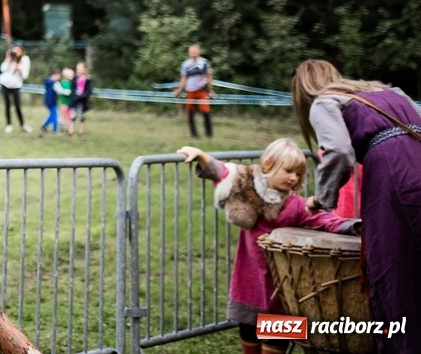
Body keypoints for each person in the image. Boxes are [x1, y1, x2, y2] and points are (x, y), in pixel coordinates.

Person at [177, 139, 360, 354]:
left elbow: (324, 220)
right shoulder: (245, 190)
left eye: (298, 174)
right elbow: (224, 173)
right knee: (250, 346)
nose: (293, 178)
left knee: (274, 348)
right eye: (289, 171)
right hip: (248, 287)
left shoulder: (297, 205)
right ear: (268, 164)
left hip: (284, 295)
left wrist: (355, 226)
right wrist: (201, 155)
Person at [291, 59, 421, 350]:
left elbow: (338, 151)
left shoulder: (324, 102)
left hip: (392, 178)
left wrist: (323, 198)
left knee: (394, 270)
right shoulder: (394, 93)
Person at [176, 44, 214, 139]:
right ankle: (194, 134)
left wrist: (211, 89)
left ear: (199, 52)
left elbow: (209, 76)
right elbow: (183, 79)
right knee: (190, 113)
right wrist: (178, 90)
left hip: (202, 91)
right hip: (190, 91)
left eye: (195, 51)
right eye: (191, 52)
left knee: (206, 112)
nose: (193, 53)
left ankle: (209, 134)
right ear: (189, 53)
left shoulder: (205, 62)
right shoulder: (185, 64)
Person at [0, 44, 31, 133]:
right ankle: (8, 124)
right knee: (7, 105)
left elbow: (25, 75)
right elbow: (2, 69)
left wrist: (20, 69)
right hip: (5, 84)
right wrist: (8, 59)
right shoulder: (10, 58)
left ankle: (22, 124)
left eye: (18, 51)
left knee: (17, 106)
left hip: (16, 85)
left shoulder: (25, 60)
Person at [69, 61, 92, 135]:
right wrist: (73, 95)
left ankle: (81, 131)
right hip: (75, 99)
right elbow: (72, 87)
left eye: (80, 68)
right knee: (73, 115)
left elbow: (89, 90)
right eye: (77, 68)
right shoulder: (75, 77)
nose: (78, 69)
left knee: (82, 115)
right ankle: (71, 130)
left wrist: (83, 96)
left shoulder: (88, 79)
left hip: (83, 100)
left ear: (85, 69)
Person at [39, 68, 61, 134]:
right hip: (52, 101)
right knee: (54, 116)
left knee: (53, 115)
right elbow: (60, 91)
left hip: (47, 101)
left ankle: (45, 126)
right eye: (58, 76)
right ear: (54, 75)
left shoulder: (47, 81)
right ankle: (54, 129)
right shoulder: (54, 83)